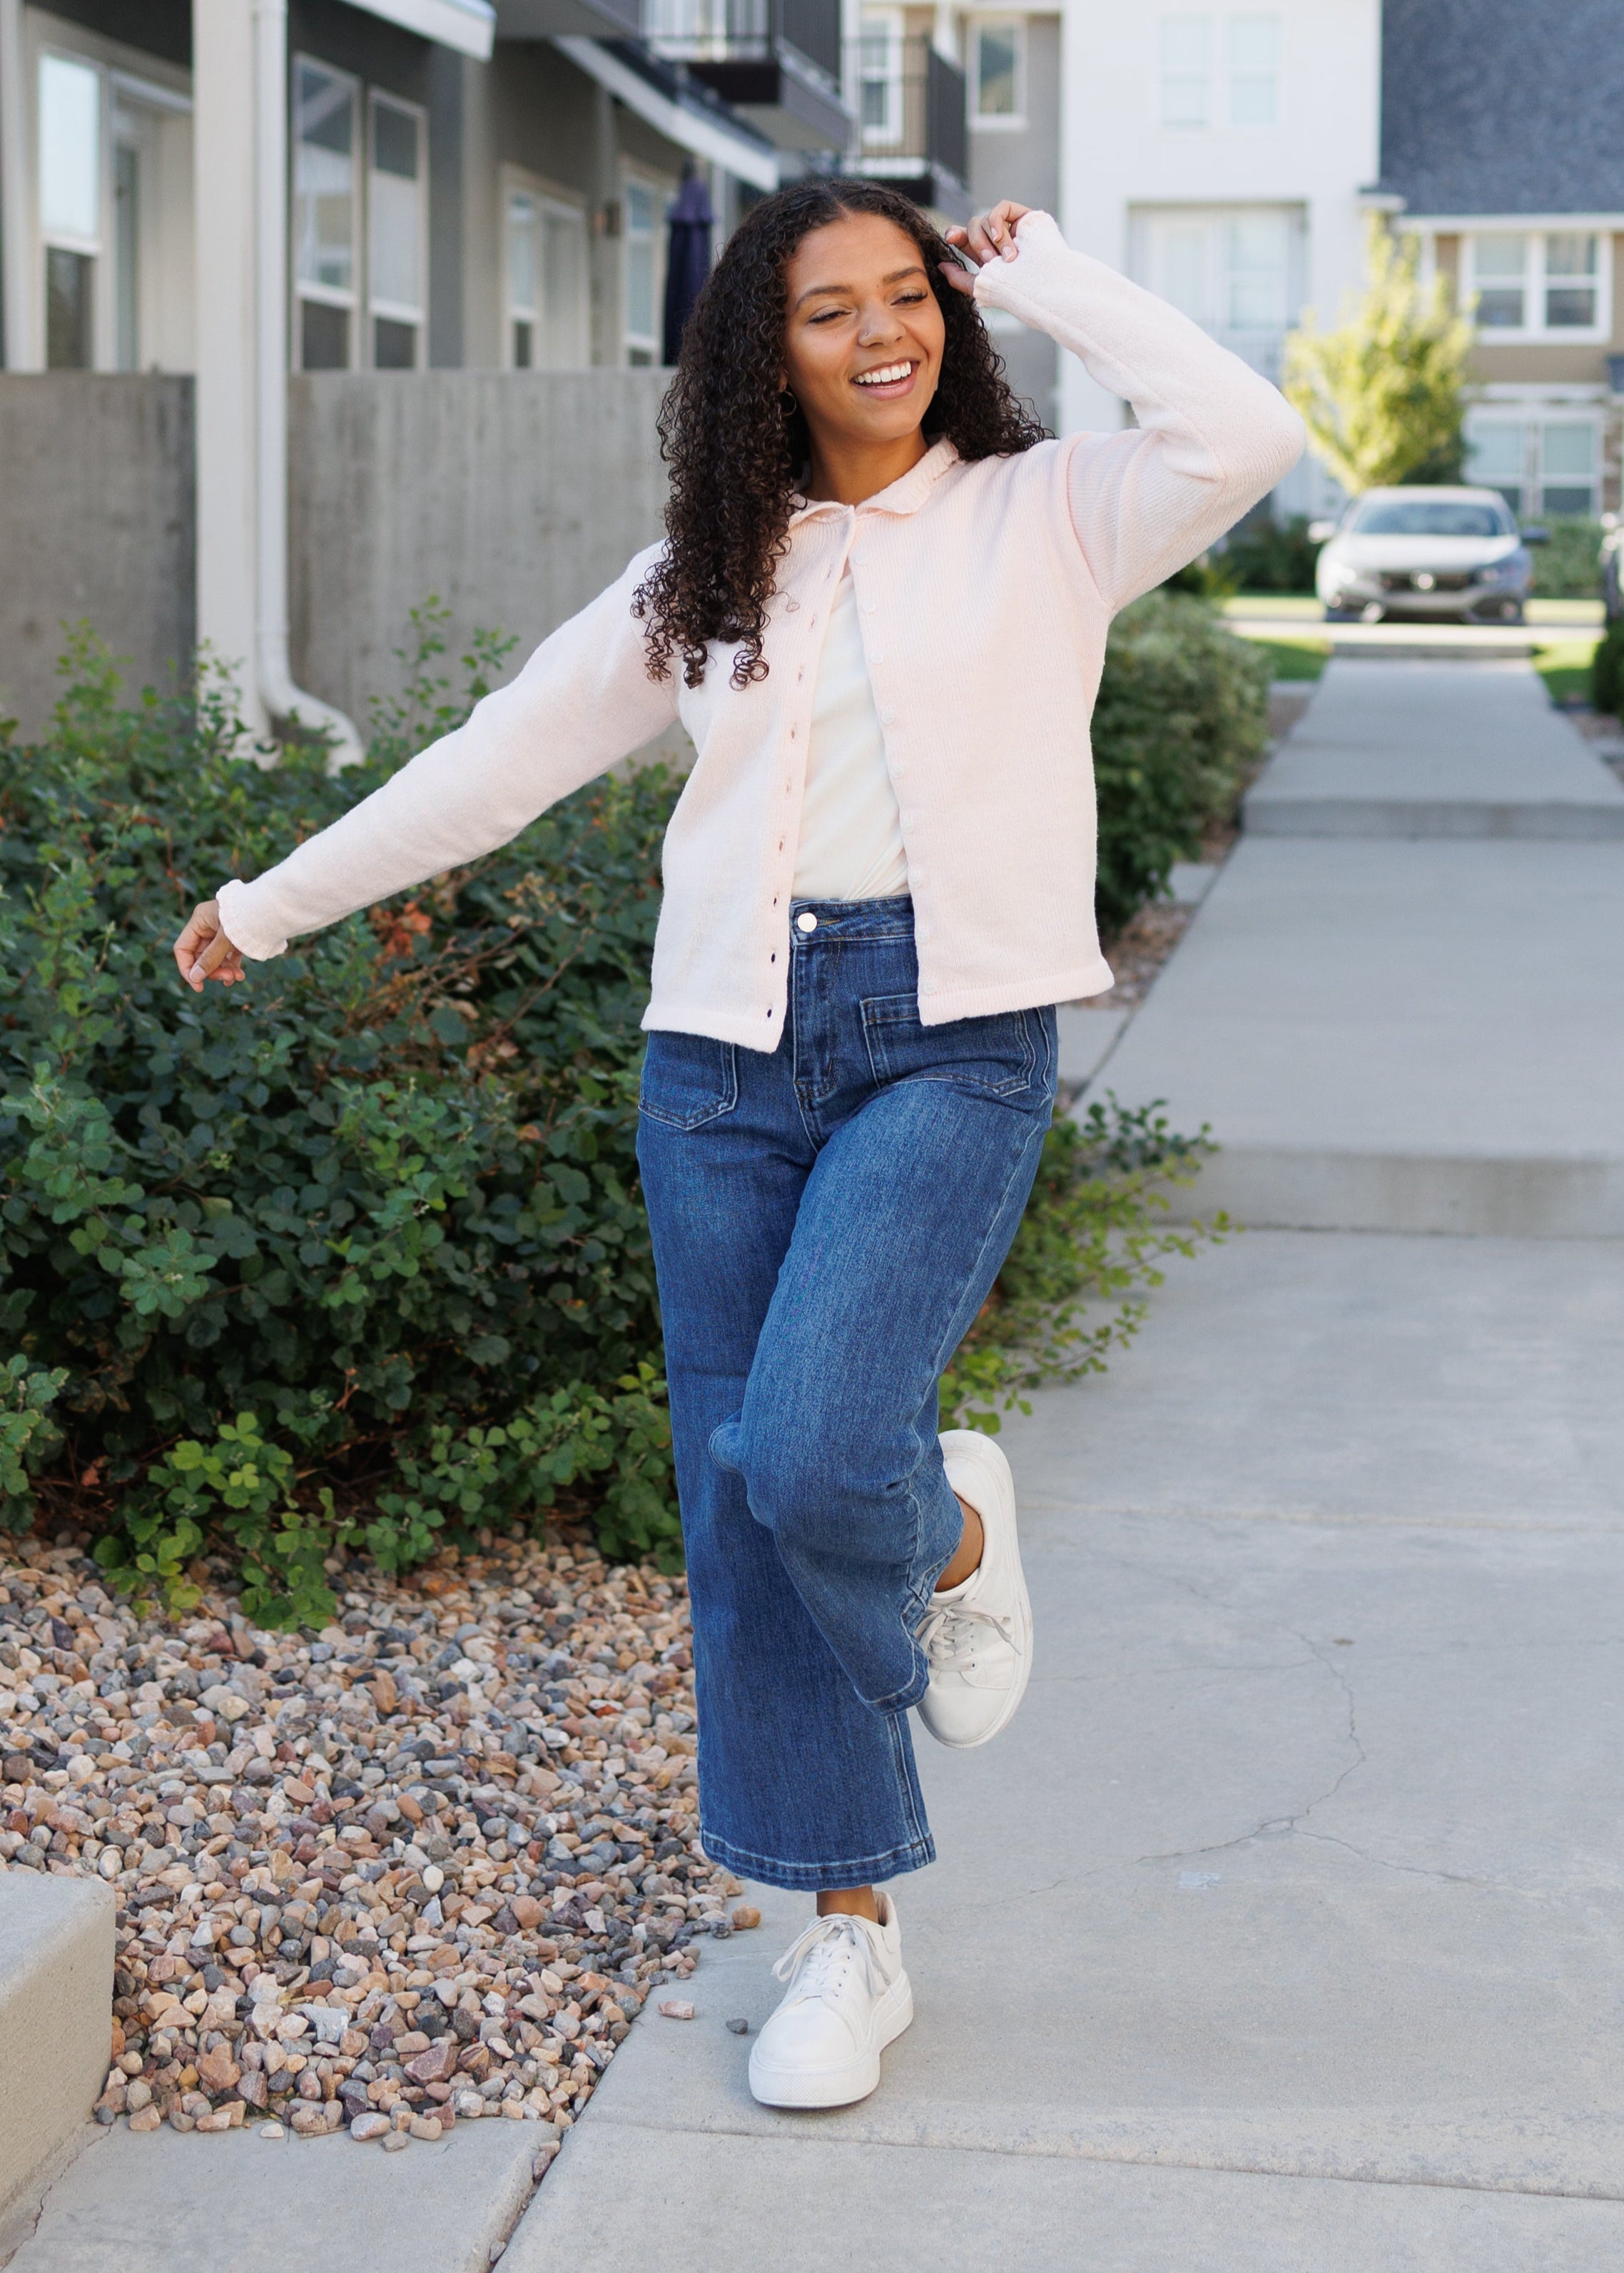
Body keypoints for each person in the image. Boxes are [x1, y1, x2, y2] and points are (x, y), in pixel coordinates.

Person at [173, 181, 1302, 2112]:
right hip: (718, 1063)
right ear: (760, 352)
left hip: (949, 1045)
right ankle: (845, 1932)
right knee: (743, 1509)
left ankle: (952, 1532)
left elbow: (1247, 431)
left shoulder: (1050, 516)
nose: (882, 334)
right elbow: (499, 756)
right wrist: (273, 902)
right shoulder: (706, 571)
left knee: (813, 1448)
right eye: (828, 307)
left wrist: (1041, 271)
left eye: (909, 295)